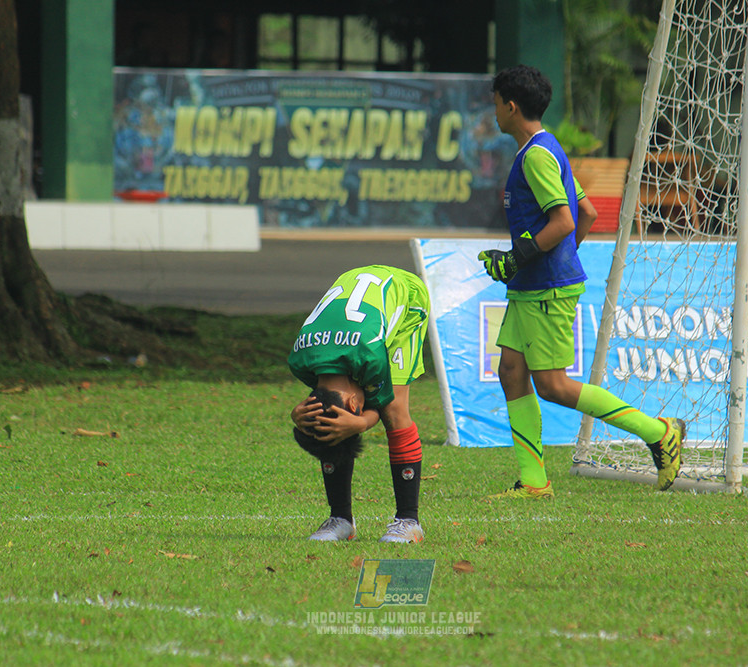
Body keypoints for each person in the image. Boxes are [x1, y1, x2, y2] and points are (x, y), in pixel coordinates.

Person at [478, 65, 685, 499]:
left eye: (496, 103)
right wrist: (548, 260)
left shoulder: (535, 156)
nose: (493, 111)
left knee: (553, 385)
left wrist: (518, 259)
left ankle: (659, 432)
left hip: (545, 290)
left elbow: (565, 220)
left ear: (511, 107)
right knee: (512, 371)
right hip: (533, 286)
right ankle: (534, 482)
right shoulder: (546, 146)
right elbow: (587, 213)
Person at [288, 265, 429, 543]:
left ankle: (409, 521)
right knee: (326, 428)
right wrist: (298, 416)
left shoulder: (370, 357)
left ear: (354, 401)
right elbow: (323, 403)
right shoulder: (299, 361)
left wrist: (362, 422)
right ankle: (340, 518)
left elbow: (381, 403)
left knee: (394, 410)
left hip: (407, 296)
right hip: (354, 292)